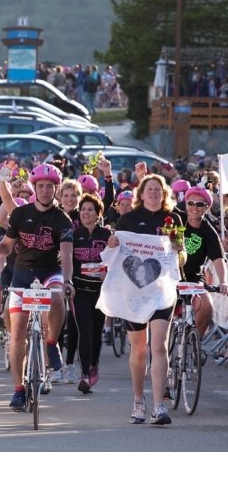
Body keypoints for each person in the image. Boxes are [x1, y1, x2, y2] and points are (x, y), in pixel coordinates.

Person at [0, 163, 73, 411]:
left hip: (50, 272)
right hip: (22, 275)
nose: (45, 191)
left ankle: (51, 344)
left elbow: (67, 254)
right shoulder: (20, 214)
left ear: (56, 189)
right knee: (17, 334)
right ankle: (18, 390)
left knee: (57, 297)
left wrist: (68, 280)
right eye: (41, 186)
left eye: (50, 187)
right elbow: (6, 247)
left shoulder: (62, 219)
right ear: (35, 188)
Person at [106, 174, 183, 425]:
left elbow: (181, 258)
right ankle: (138, 401)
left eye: (158, 189)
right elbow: (115, 253)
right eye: (149, 189)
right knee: (139, 348)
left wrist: (178, 248)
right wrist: (112, 243)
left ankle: (159, 406)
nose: (153, 193)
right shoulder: (128, 219)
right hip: (135, 292)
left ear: (164, 194)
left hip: (161, 292)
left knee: (159, 345)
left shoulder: (173, 219)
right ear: (141, 193)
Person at [66, 194, 111, 394]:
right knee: (85, 330)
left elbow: (115, 259)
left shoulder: (107, 235)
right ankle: (84, 374)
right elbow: (66, 259)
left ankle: (93, 364)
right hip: (80, 291)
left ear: (98, 213)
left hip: (100, 291)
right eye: (83, 209)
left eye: (90, 209)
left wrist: (107, 271)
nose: (85, 213)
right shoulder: (74, 235)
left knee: (96, 333)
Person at [181, 185, 228, 336]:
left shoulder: (209, 232)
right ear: (186, 204)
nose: (195, 207)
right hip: (169, 276)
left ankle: (196, 341)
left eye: (200, 204)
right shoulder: (176, 219)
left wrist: (223, 281)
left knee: (206, 305)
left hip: (193, 279)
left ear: (207, 208)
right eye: (191, 203)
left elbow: (218, 258)